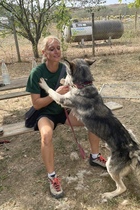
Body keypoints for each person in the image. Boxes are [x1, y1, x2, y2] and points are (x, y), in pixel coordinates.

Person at [26, 35, 106, 199]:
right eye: (51, 49)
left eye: (58, 48)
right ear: (44, 53)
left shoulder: (66, 68)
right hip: (45, 113)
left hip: (64, 110)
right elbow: (36, 104)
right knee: (46, 135)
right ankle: (52, 177)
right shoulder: (36, 73)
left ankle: (95, 157)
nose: (56, 51)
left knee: (94, 118)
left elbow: (76, 90)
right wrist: (56, 94)